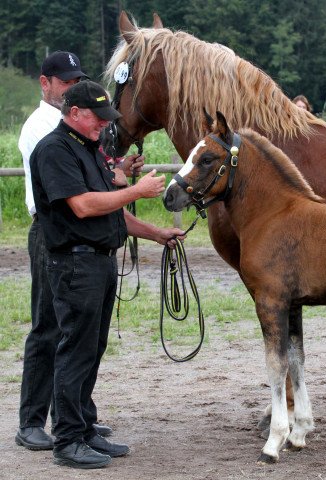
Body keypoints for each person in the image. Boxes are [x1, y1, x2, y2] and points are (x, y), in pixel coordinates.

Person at [29, 79, 185, 469]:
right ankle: (68, 440)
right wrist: (137, 190)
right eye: (97, 118)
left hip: (96, 261)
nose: (103, 124)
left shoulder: (89, 150)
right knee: (75, 350)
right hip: (74, 264)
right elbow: (83, 206)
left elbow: (111, 210)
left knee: (90, 349)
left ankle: (81, 429)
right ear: (75, 113)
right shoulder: (54, 150)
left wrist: (156, 233)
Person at [16, 51, 139, 453]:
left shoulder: (83, 135)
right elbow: (78, 197)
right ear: (46, 83)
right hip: (56, 231)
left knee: (81, 336)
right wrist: (125, 185)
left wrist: (117, 171)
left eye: (75, 81)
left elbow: (100, 177)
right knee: (52, 328)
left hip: (87, 234)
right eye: (65, 82)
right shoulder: (43, 131)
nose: (69, 86)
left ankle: (76, 419)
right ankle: (35, 420)